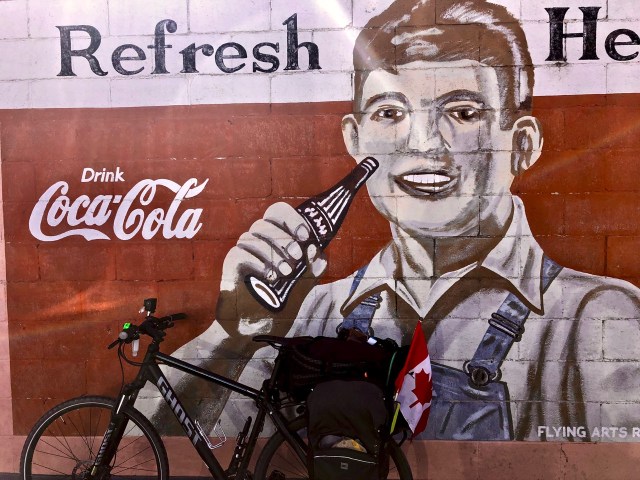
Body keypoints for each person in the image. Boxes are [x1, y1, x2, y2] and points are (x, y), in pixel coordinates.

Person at [137, 0, 640, 441]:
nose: (423, 143)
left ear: (523, 144)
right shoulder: (312, 311)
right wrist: (230, 337)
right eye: (390, 113)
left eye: (463, 113)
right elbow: (145, 450)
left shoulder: (597, 317)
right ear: (355, 141)